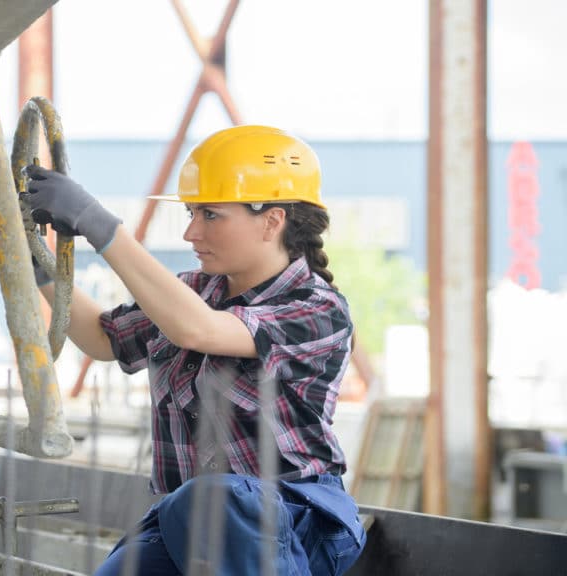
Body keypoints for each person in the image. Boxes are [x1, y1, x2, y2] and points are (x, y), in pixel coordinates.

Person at [20, 125, 367, 575]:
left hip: (298, 520)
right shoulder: (193, 292)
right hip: (194, 520)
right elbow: (104, 340)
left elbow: (199, 331)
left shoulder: (317, 311)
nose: (190, 233)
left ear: (272, 220)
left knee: (218, 497)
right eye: (191, 213)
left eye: (209, 215)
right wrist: (33, 263)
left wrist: (94, 221)